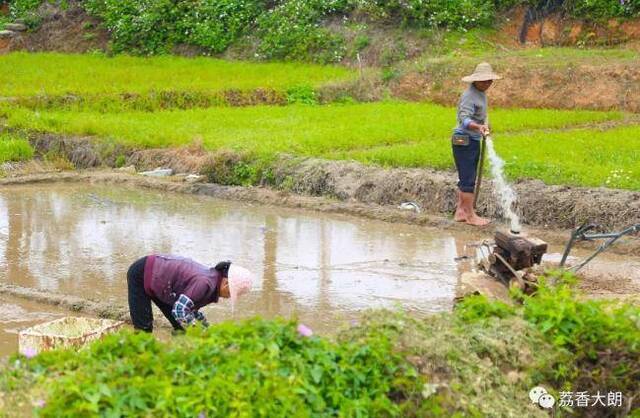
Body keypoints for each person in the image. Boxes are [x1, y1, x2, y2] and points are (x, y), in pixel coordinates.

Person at [126, 254, 254, 332]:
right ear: (226, 283)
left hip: (163, 283)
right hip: (142, 273)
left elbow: (191, 311)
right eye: (231, 293)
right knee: (144, 329)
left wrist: (207, 329)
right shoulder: (205, 283)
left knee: (181, 329)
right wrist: (199, 331)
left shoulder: (212, 282)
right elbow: (180, 310)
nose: (228, 297)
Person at [451, 62, 501, 226]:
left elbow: (481, 115)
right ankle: (470, 215)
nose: (488, 84)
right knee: (469, 178)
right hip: (463, 139)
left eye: (489, 81)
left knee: (465, 176)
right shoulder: (469, 96)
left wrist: (485, 125)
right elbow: (464, 119)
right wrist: (479, 127)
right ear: (476, 81)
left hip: (470, 139)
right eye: (484, 81)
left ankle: (460, 211)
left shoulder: (480, 93)